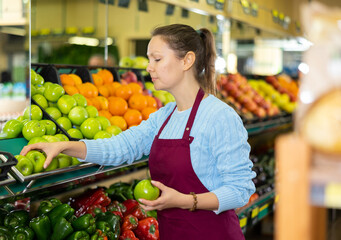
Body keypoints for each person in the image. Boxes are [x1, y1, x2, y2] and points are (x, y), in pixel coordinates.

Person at [21, 24, 255, 239]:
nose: (148, 67)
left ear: (187, 61)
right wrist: (65, 146)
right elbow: (119, 147)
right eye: (148, 59)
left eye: (157, 59)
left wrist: (185, 201)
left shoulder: (220, 116)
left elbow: (240, 190)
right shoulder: (165, 117)